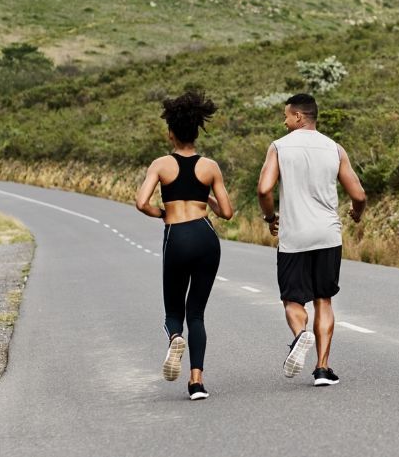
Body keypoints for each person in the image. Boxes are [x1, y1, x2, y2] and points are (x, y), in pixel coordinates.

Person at [257, 93, 366, 387]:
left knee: (293, 299)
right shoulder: (335, 148)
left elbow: (264, 189)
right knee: (324, 300)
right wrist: (356, 213)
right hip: (328, 234)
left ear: (298, 117)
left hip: (294, 236)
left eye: (286, 115)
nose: (284, 120)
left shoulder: (279, 147)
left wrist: (270, 219)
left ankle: (299, 336)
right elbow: (359, 195)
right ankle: (322, 368)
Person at [136, 91, 234, 401]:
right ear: (196, 132)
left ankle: (175, 338)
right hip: (206, 237)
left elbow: (141, 202)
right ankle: (197, 382)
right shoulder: (210, 167)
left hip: (176, 235)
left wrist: (163, 213)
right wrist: (206, 197)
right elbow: (227, 212)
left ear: (171, 133)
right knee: (197, 313)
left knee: (173, 311)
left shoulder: (162, 164)